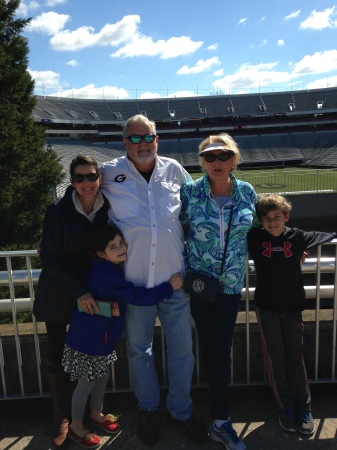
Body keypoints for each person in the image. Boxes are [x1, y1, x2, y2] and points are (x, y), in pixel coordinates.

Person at [100, 114, 208, 446]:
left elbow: (200, 208)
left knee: (182, 351)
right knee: (138, 351)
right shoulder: (107, 173)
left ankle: (180, 410)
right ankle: (148, 408)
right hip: (134, 286)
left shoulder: (174, 169)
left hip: (174, 282)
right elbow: (78, 202)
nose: (143, 143)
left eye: (149, 137)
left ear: (157, 139)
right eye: (135, 138)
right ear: (124, 142)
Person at [64, 223, 183, 448]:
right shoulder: (106, 274)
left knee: (101, 377)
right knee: (86, 383)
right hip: (89, 340)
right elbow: (135, 296)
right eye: (113, 247)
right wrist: (169, 287)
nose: (121, 249)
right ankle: (76, 426)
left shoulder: (108, 267)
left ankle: (96, 414)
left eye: (121, 243)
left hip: (101, 338)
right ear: (101, 254)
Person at [180, 133, 257, 450]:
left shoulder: (246, 192)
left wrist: (293, 247)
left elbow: (263, 227)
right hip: (200, 285)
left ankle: (220, 419)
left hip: (229, 287)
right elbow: (170, 229)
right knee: (210, 348)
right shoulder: (191, 193)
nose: (216, 162)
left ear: (234, 159)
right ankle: (217, 415)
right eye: (209, 157)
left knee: (220, 350)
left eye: (223, 155)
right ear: (201, 161)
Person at [33, 154, 111, 449]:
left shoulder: (108, 208)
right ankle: (61, 416)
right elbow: (50, 258)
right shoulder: (57, 211)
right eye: (79, 178)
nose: (86, 183)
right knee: (56, 353)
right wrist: (80, 290)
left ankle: (89, 412)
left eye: (91, 176)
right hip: (61, 291)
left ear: (98, 177)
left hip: (91, 292)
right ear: (72, 180)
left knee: (89, 350)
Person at [247, 194, 336, 435]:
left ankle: (303, 407)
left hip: (293, 308)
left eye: (277, 217)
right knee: (278, 359)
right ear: (260, 221)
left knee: (295, 359)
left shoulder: (298, 236)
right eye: (266, 219)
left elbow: (330, 236)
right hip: (266, 308)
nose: (272, 223)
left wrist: (301, 252)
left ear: (286, 216)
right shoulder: (253, 237)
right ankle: (285, 407)